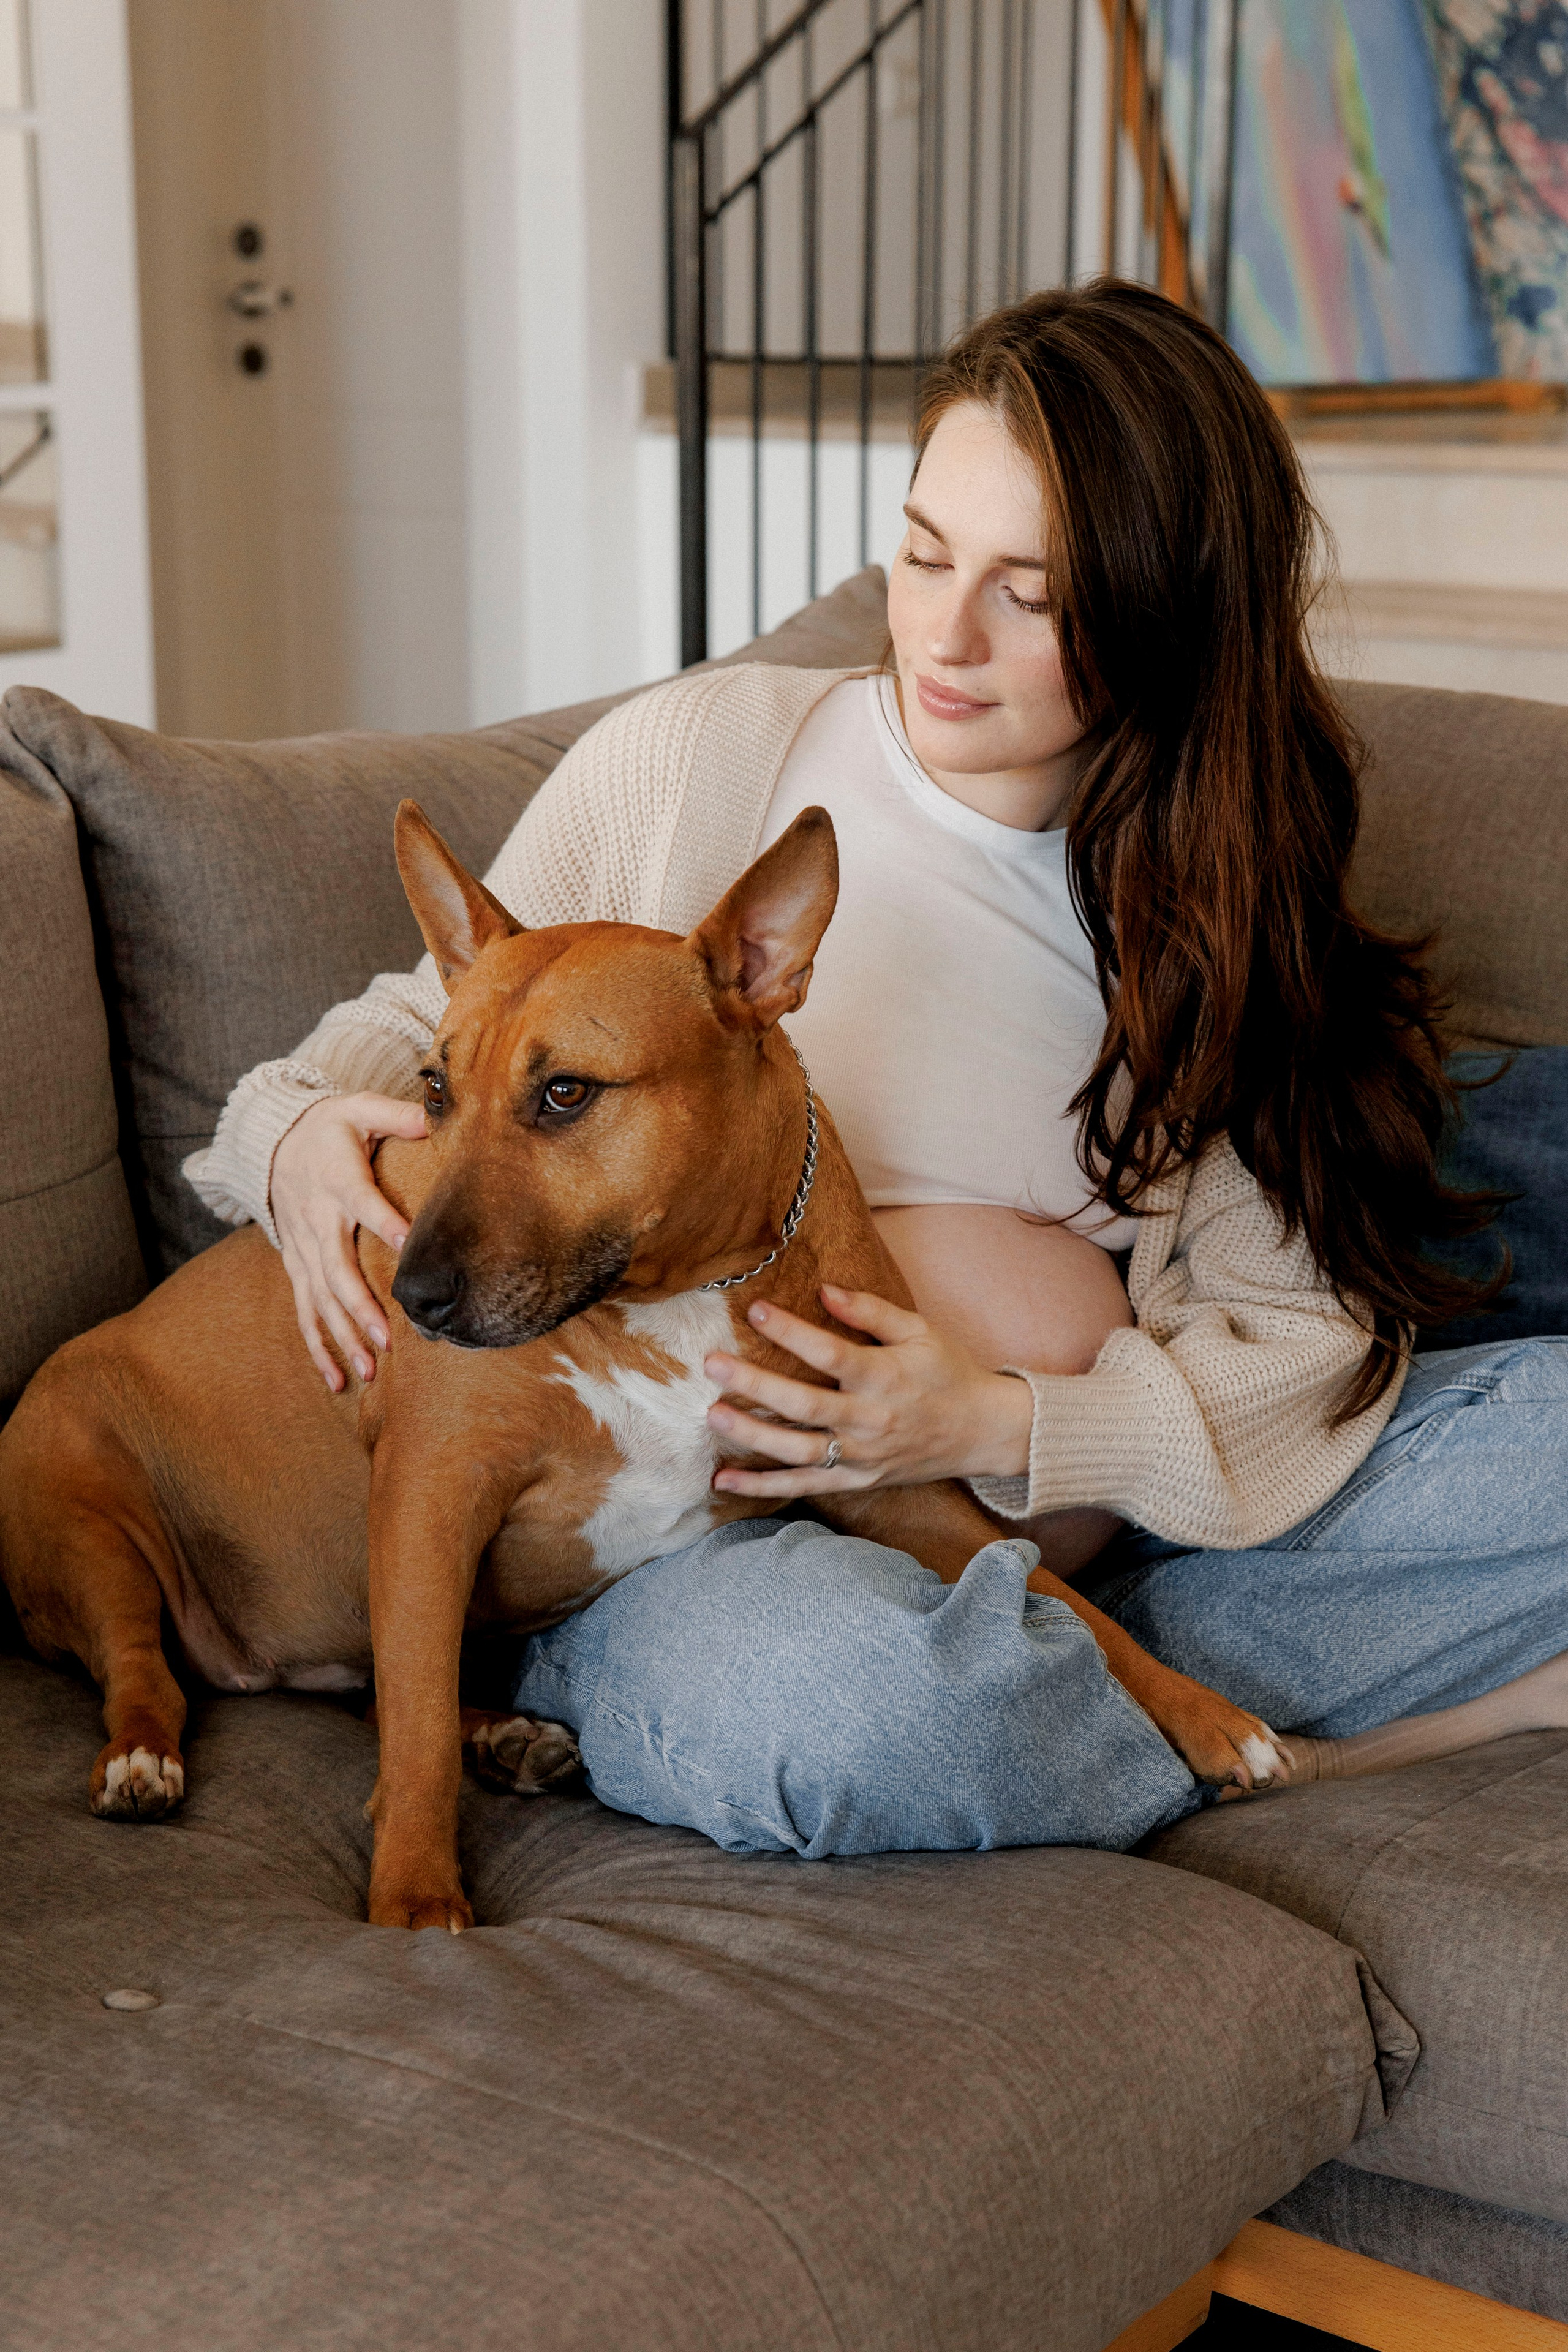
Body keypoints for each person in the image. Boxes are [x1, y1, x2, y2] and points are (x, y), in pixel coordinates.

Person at [187, 279, 1568, 1860]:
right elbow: (439, 1021)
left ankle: (1117, 1681)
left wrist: (988, 1421)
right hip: (690, 1550)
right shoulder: (705, 758)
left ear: (1167, 608)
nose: (945, 636)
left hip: (1100, 1537)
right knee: (870, 1712)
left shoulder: (1210, 925)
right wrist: (295, 1136)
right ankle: (1278, 1740)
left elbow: (1294, 1350)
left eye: (1031, 596)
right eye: (921, 554)